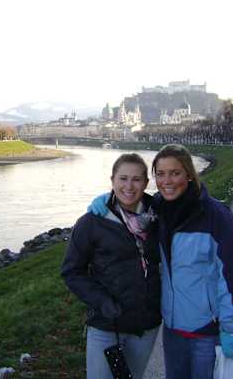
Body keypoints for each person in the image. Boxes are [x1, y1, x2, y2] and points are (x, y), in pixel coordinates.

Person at [90, 144, 233, 379]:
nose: (167, 181)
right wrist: (109, 201)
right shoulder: (158, 210)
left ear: (189, 173)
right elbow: (132, 199)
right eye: (160, 174)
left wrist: (231, 328)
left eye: (175, 173)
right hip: (173, 329)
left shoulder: (216, 217)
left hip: (207, 330)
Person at [61, 153, 161, 379]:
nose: (129, 186)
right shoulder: (92, 222)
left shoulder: (158, 216)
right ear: (112, 180)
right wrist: (102, 302)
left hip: (146, 325)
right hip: (106, 325)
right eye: (123, 178)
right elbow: (71, 271)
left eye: (136, 179)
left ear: (146, 183)